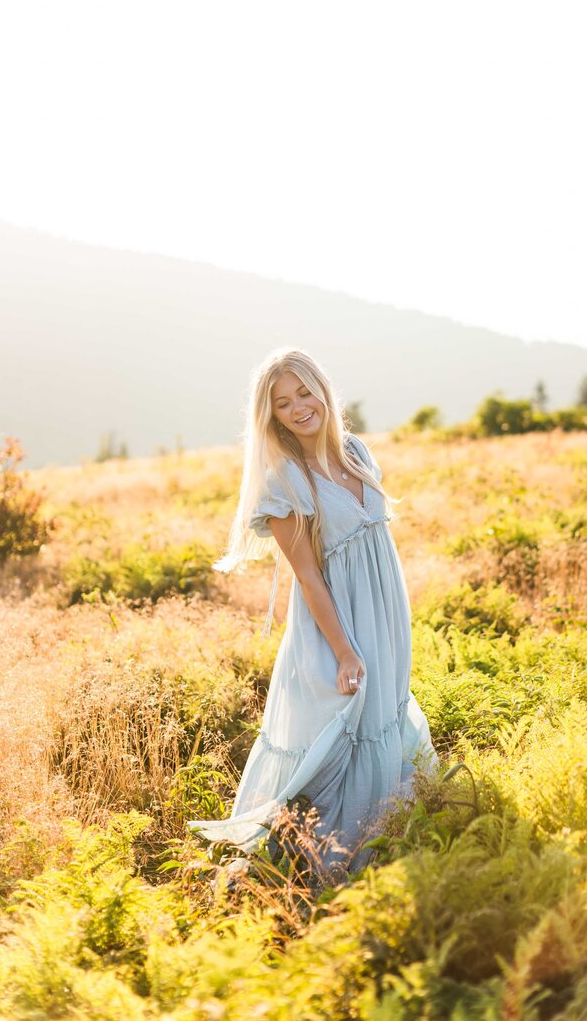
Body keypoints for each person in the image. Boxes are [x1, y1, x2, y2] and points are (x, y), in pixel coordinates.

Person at [187, 346, 438, 875]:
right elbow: (307, 574)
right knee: (340, 727)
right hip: (335, 625)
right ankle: (321, 861)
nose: (299, 407)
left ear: (323, 389)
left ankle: (398, 836)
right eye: (283, 402)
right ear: (271, 416)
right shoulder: (285, 480)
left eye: (305, 392)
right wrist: (345, 650)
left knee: (383, 715)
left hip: (384, 613)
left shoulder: (356, 452)